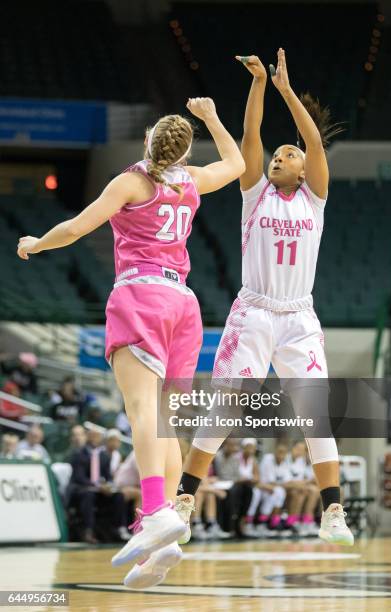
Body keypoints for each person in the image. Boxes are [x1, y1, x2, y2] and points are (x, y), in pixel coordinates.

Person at [17, 97, 245, 588]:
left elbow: (76, 228)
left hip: (141, 293)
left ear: (147, 141)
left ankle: (157, 510)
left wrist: (35, 243)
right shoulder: (190, 181)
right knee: (165, 421)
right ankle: (162, 536)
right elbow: (238, 163)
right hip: (185, 305)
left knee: (141, 412)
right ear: (184, 153)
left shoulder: (131, 181)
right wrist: (212, 118)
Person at [176, 50, 353, 547]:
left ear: (303, 172)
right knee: (224, 407)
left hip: (299, 317)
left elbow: (314, 141)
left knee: (315, 416)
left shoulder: (315, 198)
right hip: (253, 310)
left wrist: (285, 89)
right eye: (278, 154)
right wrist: (257, 84)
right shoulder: (256, 194)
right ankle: (185, 500)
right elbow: (250, 137)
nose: (280, 155)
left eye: (288, 155)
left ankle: (332, 511)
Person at [67, 429, 130, 544]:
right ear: (88, 437)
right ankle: (88, 531)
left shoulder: (104, 455)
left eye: (97, 436)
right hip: (80, 488)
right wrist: (97, 485)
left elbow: (108, 477)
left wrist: (109, 486)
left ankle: (119, 529)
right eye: (92, 436)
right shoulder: (79, 453)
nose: (95, 439)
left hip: (98, 490)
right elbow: (79, 477)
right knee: (89, 495)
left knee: (119, 495)